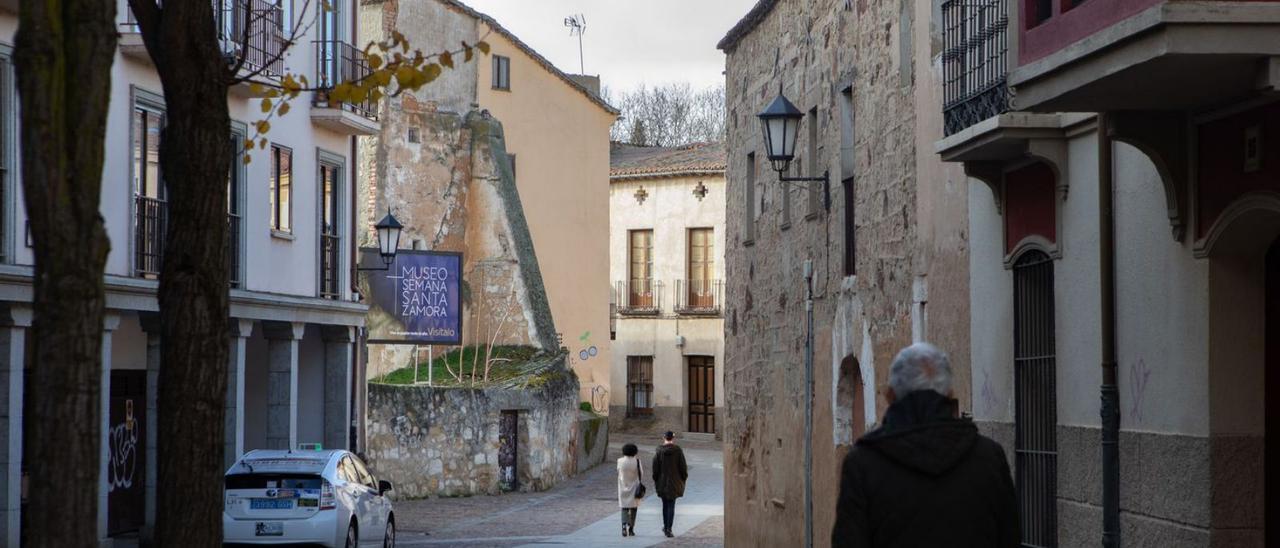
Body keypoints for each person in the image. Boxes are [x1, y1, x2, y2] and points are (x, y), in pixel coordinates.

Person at [832, 342, 1019, 548]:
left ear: (890, 395)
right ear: (949, 394)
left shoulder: (863, 464)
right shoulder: (989, 458)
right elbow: (1010, 537)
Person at [651, 431, 688, 538]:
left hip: (662, 482)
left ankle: (665, 526)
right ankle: (669, 528)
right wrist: (683, 479)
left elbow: (655, 468)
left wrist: (656, 479)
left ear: (664, 437)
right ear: (673, 438)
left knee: (664, 505)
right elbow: (683, 467)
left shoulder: (659, 451)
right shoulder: (678, 451)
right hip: (675, 482)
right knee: (671, 505)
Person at [616, 443, 643, 537]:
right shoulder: (637, 461)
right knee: (634, 508)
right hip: (634, 487)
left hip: (623, 486)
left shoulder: (620, 461)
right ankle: (631, 529)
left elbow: (618, 471)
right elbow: (641, 474)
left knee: (624, 507)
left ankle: (623, 526)